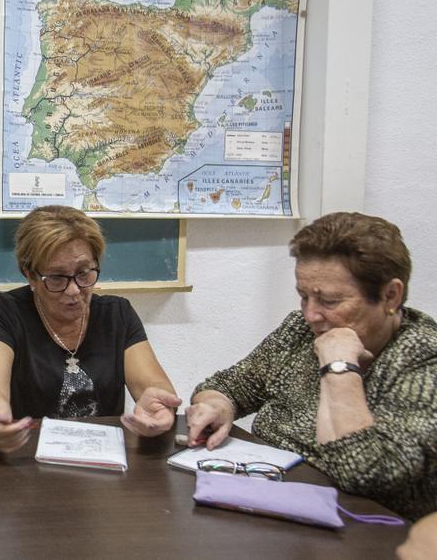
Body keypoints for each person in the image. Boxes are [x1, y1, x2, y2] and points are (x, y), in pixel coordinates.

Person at [187, 212, 437, 520]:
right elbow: (229, 385)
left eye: (330, 302)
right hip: (272, 500)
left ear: (390, 296)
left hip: (366, 530)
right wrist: (218, 405)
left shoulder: (424, 357)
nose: (311, 315)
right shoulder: (300, 330)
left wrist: (339, 367)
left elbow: (364, 472)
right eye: (303, 297)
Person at [0, 205, 179, 453]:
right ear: (30, 274)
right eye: (57, 278)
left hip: (102, 460)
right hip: (27, 458)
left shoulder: (117, 314)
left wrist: (159, 404)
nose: (74, 291)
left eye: (83, 273)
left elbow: (152, 384)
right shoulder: (3, 311)